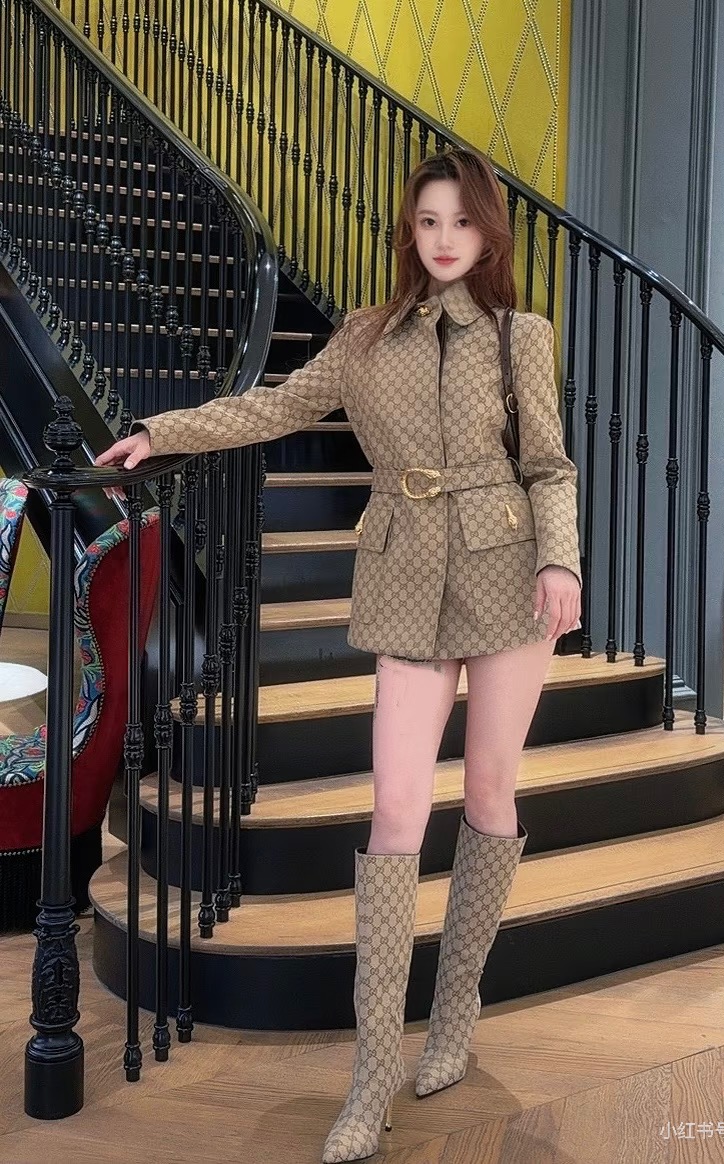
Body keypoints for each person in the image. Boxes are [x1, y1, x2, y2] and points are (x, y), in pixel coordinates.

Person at [97, 146, 582, 1164]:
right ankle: (371, 1077)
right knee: (395, 809)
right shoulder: (362, 338)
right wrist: (160, 432)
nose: (444, 239)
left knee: (489, 793)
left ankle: (454, 1018)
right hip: (404, 571)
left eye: (462, 222)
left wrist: (560, 563)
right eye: (428, 222)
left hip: (508, 572)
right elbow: (270, 407)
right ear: (409, 232)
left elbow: (546, 465)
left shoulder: (519, 336)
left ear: (488, 233)